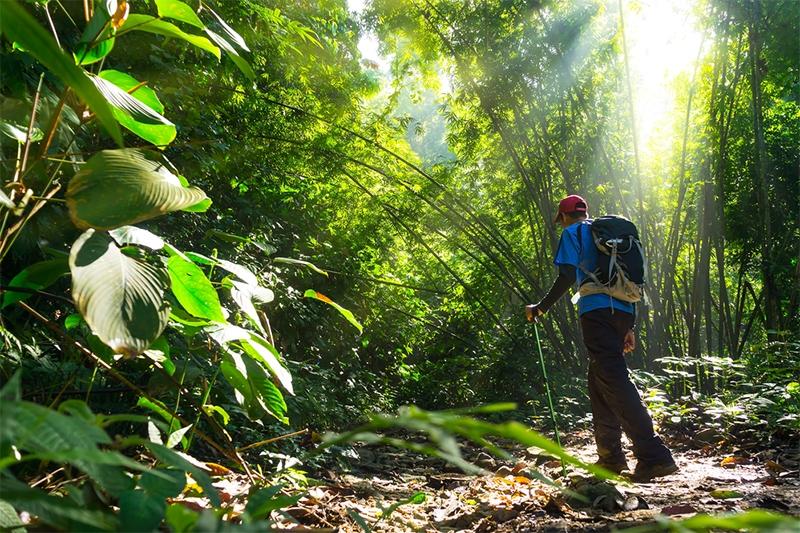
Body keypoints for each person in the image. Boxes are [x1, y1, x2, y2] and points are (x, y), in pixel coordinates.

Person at [525, 194, 678, 482]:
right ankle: (610, 457)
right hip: (622, 311)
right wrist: (629, 326)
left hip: (595, 312)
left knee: (615, 378)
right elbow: (630, 282)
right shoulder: (607, 236)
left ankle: (654, 455)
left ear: (564, 217)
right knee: (598, 379)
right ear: (586, 212)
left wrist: (541, 307)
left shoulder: (574, 232)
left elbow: (568, 275)